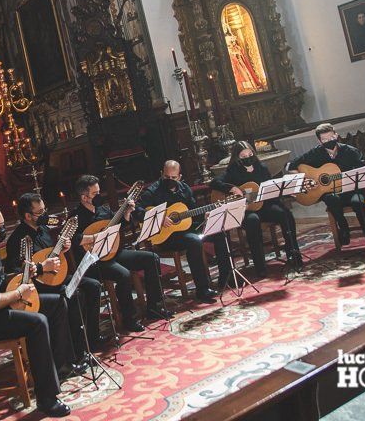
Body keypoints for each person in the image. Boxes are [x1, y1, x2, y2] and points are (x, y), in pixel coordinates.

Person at [0, 203, 83, 417]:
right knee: (38, 322)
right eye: (0, 226)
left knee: (57, 302)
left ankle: (60, 367)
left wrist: (30, 271)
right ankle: (47, 399)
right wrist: (19, 293)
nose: (4, 230)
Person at [6, 193, 106, 354]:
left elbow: (51, 256)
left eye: (45, 210)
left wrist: (63, 249)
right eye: (40, 212)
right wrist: (40, 267)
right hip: (36, 286)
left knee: (93, 286)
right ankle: (75, 351)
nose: (45, 215)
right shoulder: (18, 240)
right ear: (27, 216)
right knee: (74, 296)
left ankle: (92, 339)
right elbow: (17, 273)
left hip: (54, 278)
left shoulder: (43, 229)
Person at [70, 175, 172, 333]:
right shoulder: (75, 217)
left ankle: (154, 308)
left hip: (115, 252)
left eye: (99, 192)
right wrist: (94, 237)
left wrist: (127, 212)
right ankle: (129, 319)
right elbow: (73, 239)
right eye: (95, 194)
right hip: (95, 261)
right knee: (123, 274)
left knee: (151, 258)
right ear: (84, 197)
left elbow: (120, 225)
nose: (99, 196)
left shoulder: (103, 209)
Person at [134, 161, 231, 303]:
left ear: (179, 177)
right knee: (194, 241)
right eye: (166, 177)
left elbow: (193, 212)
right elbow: (137, 210)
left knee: (219, 230)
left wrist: (204, 215)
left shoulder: (184, 189)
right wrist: (159, 218)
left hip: (185, 228)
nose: (170, 180)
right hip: (165, 237)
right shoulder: (153, 191)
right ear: (162, 174)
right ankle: (202, 290)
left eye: (173, 178)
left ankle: (225, 278)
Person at [288, 123, 365, 260]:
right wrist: (304, 180)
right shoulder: (315, 153)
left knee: (359, 204)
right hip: (333, 193)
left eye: (331, 137)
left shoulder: (350, 151)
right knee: (331, 199)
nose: (329, 141)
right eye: (324, 140)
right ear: (319, 141)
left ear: (336, 135)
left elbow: (363, 170)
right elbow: (291, 166)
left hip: (352, 190)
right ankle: (343, 226)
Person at [210, 141, 303, 275]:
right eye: (243, 156)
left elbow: (270, 189)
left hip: (264, 206)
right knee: (252, 221)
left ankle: (293, 255)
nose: (248, 157)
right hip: (246, 210)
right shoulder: (233, 171)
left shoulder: (262, 168)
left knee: (285, 214)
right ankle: (260, 266)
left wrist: (283, 193)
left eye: (250, 154)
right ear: (237, 157)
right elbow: (214, 182)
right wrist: (231, 188)